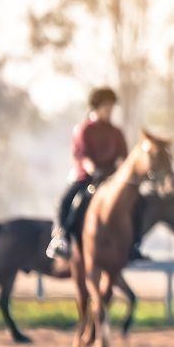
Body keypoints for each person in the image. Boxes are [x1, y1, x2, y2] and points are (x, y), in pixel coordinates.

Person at [46, 87, 129, 260]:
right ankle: (61, 239)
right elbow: (83, 156)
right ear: (96, 107)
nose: (110, 112)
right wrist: (94, 171)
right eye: (107, 107)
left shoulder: (116, 132)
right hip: (86, 177)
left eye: (112, 108)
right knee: (66, 201)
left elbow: (123, 157)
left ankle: (133, 243)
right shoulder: (83, 130)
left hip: (111, 179)